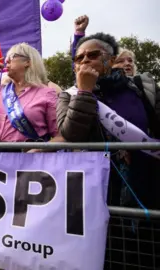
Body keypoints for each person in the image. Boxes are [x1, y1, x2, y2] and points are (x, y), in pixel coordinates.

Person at [57, 32, 160, 269]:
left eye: (92, 55)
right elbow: (72, 134)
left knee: (147, 249)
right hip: (100, 190)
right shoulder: (68, 96)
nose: (84, 61)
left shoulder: (142, 88)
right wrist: (84, 92)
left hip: (147, 183)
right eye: (78, 58)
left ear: (111, 60)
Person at [0, 43, 61, 151]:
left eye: (12, 57)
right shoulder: (0, 90)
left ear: (27, 62)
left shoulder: (46, 94)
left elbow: (61, 137)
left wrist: (41, 150)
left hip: (26, 158)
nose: (6, 61)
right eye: (6, 58)